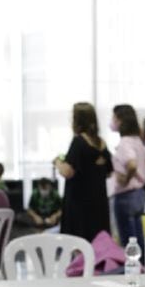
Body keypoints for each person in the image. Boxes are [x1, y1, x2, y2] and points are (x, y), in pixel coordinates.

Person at [56, 102, 112, 242]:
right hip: (98, 202)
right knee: (96, 242)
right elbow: (109, 172)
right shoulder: (102, 144)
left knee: (78, 243)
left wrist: (57, 162)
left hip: (79, 203)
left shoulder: (79, 142)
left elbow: (68, 172)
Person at [111, 104, 145, 253]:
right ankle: (143, 271)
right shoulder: (137, 141)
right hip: (139, 193)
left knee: (129, 243)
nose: (112, 121)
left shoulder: (125, 143)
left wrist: (126, 179)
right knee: (138, 239)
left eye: (114, 117)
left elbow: (132, 164)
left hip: (126, 195)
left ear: (120, 120)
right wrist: (141, 175)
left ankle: (133, 274)